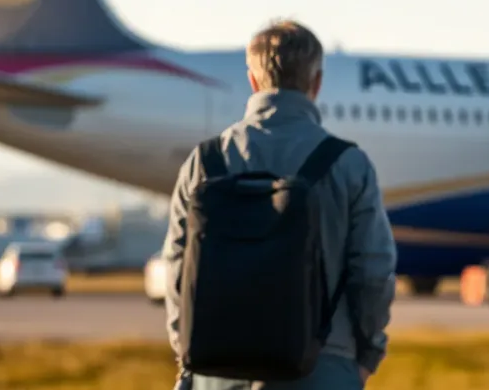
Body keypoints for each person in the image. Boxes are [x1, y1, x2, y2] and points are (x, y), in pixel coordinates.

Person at [163, 19, 398, 390]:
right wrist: (366, 357)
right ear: (316, 83)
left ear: (253, 80)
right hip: (321, 366)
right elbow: (373, 272)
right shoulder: (349, 165)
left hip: (218, 367)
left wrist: (187, 350)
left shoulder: (203, 162)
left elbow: (178, 267)